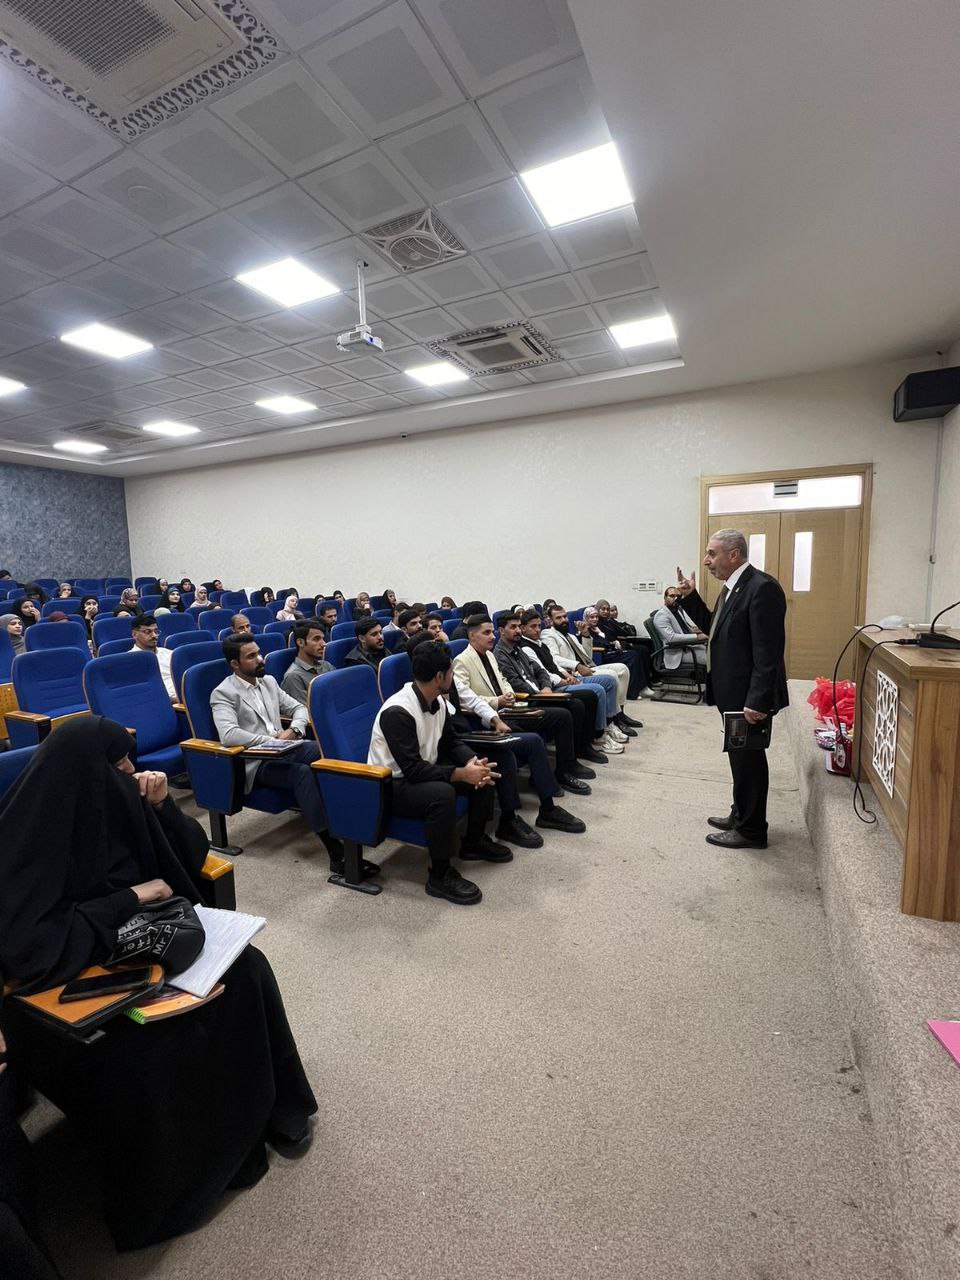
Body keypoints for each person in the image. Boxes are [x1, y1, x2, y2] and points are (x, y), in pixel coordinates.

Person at [0, 717, 318, 1252]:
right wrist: (129, 899)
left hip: (136, 946)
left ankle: (274, 1109)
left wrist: (163, 807)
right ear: (89, 773)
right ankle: (170, 1192)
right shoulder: (25, 834)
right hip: (56, 985)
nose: (133, 770)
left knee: (247, 972)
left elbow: (188, 858)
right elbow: (31, 944)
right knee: (150, 1050)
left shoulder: (116, 802)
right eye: (119, 765)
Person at [368, 641, 511, 906]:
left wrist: (472, 762)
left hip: (421, 771)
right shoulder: (397, 712)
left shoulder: (438, 701)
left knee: (483, 772)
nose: (453, 677)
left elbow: (451, 742)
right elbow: (412, 769)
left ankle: (474, 842)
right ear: (439, 677)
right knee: (442, 794)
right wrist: (460, 774)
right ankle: (440, 875)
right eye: (451, 672)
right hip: (390, 784)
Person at [210, 634, 365, 878]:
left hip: (286, 747)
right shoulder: (223, 693)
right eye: (251, 656)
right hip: (256, 761)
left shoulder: (269, 681)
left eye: (259, 653)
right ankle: (335, 851)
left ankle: (353, 817)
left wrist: (294, 730)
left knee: (325, 751)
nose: (260, 659)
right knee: (302, 774)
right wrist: (271, 741)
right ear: (235, 664)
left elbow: (299, 708)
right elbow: (229, 735)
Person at [406, 634, 584, 843]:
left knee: (530, 741)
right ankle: (509, 819)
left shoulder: (448, 682)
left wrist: (496, 720)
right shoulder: (420, 695)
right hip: (457, 739)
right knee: (509, 752)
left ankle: (546, 809)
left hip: (464, 735)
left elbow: (473, 700)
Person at [677, 529, 788, 850]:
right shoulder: (733, 587)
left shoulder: (762, 588)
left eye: (712, 554)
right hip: (733, 693)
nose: (706, 560)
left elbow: (768, 652)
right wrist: (690, 597)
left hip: (748, 696)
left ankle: (752, 830)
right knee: (739, 758)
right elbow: (716, 629)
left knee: (749, 761)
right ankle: (741, 813)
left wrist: (757, 700)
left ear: (734, 554)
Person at [453, 616, 593, 796]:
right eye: (486, 633)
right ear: (472, 636)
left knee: (563, 715)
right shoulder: (462, 660)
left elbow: (503, 679)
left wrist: (509, 693)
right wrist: (497, 701)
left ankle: (565, 768)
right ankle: (547, 784)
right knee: (538, 734)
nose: (492, 636)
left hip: (511, 707)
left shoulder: (489, 654)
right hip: (492, 717)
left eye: (492, 632)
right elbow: (464, 698)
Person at [495, 614, 608, 766]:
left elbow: (541, 671)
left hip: (543, 693)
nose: (518, 631)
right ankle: (566, 765)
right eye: (512, 627)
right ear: (502, 630)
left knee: (589, 696)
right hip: (528, 699)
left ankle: (583, 746)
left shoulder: (517, 649)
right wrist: (539, 694)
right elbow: (515, 683)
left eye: (518, 627)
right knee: (573, 707)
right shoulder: (500, 654)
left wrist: (546, 687)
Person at [517, 609, 627, 754]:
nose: (537, 629)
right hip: (555, 684)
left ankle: (612, 721)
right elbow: (543, 671)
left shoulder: (547, 641)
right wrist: (565, 678)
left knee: (610, 679)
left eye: (538, 626)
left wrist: (585, 636)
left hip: (569, 674)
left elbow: (563, 662)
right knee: (597, 689)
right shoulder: (536, 642)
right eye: (533, 626)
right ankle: (599, 734)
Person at [541, 604, 641, 736]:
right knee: (612, 675)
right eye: (558, 618)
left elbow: (587, 656)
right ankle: (613, 720)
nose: (564, 620)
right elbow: (554, 658)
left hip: (587, 667)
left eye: (565, 616)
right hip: (572, 672)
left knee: (623, 669)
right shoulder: (548, 634)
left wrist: (585, 635)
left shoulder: (570, 635)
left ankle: (620, 714)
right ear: (551, 621)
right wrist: (577, 665)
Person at [652, 586, 708, 670]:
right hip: (678, 654)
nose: (675, 598)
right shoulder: (661, 615)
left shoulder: (677, 610)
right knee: (714, 659)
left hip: (689, 647)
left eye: (678, 596)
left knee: (717, 651)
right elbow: (672, 638)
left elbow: (685, 629)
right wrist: (698, 637)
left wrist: (705, 630)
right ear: (665, 598)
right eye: (672, 596)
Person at [281, 619, 334, 705]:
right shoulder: (293, 677)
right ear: (301, 642)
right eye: (316, 639)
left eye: (323, 639)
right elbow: (308, 710)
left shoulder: (326, 665)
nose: (323, 644)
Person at [130, 615, 176, 700]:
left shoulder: (170, 653)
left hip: (184, 694)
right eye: (148, 632)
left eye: (156, 631)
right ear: (134, 634)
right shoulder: (130, 660)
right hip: (165, 701)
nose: (154, 635)